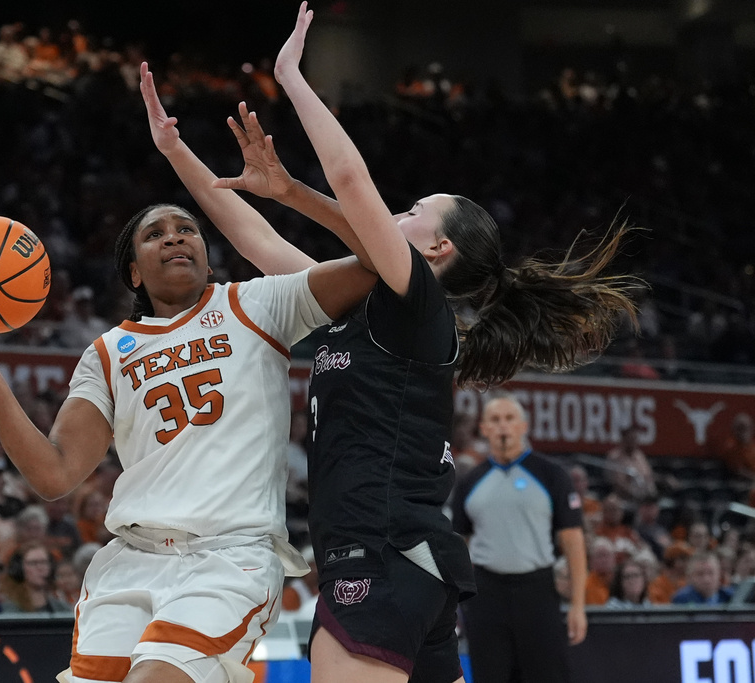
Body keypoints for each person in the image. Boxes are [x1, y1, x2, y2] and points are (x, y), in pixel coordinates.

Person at [198, 7, 636, 682]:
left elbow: (351, 185)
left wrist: (292, 77)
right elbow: (260, 243)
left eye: (412, 212)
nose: (394, 213)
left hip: (377, 561)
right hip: (410, 570)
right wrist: (177, 152)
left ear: (437, 247)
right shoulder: (361, 306)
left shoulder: (420, 305)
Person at [0, 64, 374, 683]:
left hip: (229, 560)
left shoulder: (257, 303)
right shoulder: (108, 352)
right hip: (130, 561)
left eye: (187, 228)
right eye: (156, 233)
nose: (176, 237)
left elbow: (376, 260)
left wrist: (294, 193)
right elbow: (53, 474)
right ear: (133, 272)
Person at [451, 395, 588, 683]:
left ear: (524, 425)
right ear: (484, 428)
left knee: (549, 675)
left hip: (537, 590)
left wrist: (577, 604)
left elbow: (573, 541)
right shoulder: (469, 481)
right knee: (491, 675)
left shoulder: (552, 475)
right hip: (486, 594)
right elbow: (458, 543)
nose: (503, 426)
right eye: (496, 420)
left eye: (510, 418)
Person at [0, 542, 71, 614]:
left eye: (44, 562)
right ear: (19, 568)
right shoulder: (9, 610)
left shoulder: (62, 609)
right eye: (33, 563)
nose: (40, 568)